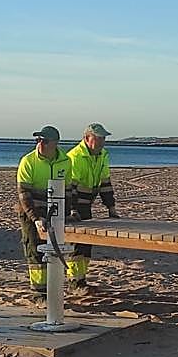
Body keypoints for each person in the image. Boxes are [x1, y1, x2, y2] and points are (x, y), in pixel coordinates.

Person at [16, 125, 72, 296]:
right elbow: (23, 193)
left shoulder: (66, 161)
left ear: (54, 143)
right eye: (38, 140)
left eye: (44, 141)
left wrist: (69, 212)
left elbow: (68, 190)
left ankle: (54, 287)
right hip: (31, 210)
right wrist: (35, 218)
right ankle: (39, 292)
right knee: (34, 247)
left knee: (56, 248)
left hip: (55, 211)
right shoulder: (28, 161)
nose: (40, 143)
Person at [65, 122, 119, 295]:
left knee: (86, 244)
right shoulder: (75, 157)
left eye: (104, 138)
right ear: (87, 139)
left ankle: (81, 279)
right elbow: (70, 187)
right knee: (76, 243)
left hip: (88, 203)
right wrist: (73, 210)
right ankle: (74, 281)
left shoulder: (102, 155)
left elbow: (105, 183)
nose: (102, 141)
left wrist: (111, 208)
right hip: (75, 203)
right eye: (99, 138)